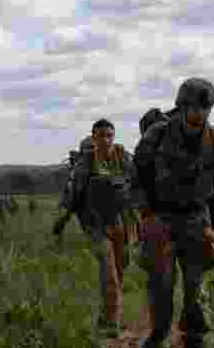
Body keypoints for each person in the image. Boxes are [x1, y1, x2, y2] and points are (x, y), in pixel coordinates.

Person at [132, 78, 214, 348]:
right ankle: (159, 332)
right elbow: (136, 179)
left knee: (195, 285)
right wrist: (147, 216)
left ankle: (193, 336)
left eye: (206, 107)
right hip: (161, 220)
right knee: (162, 283)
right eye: (194, 107)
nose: (200, 113)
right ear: (182, 107)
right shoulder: (155, 136)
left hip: (198, 220)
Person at [66, 119, 138, 339]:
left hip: (120, 224)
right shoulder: (85, 164)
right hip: (96, 226)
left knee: (120, 268)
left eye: (109, 135)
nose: (106, 140)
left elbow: (137, 182)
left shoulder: (123, 158)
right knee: (109, 273)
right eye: (101, 136)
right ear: (93, 137)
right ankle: (112, 325)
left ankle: (106, 316)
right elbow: (74, 198)